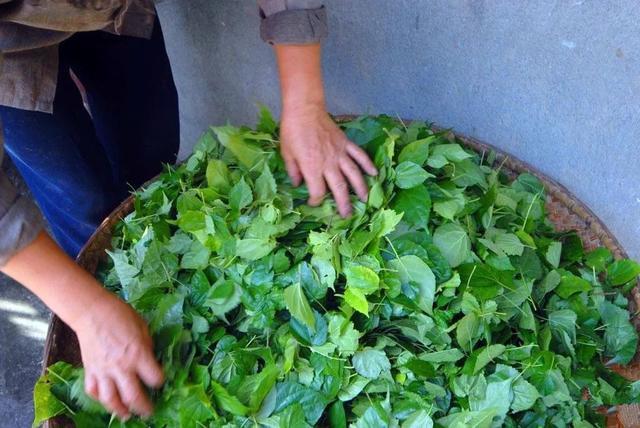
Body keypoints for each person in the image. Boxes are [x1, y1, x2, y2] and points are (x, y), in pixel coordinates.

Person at [0, 0, 377, 420]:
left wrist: (305, 104)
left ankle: (134, 294)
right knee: (84, 210)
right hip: (7, 51)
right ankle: (108, 325)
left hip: (111, 10)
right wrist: (84, 308)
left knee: (149, 162)